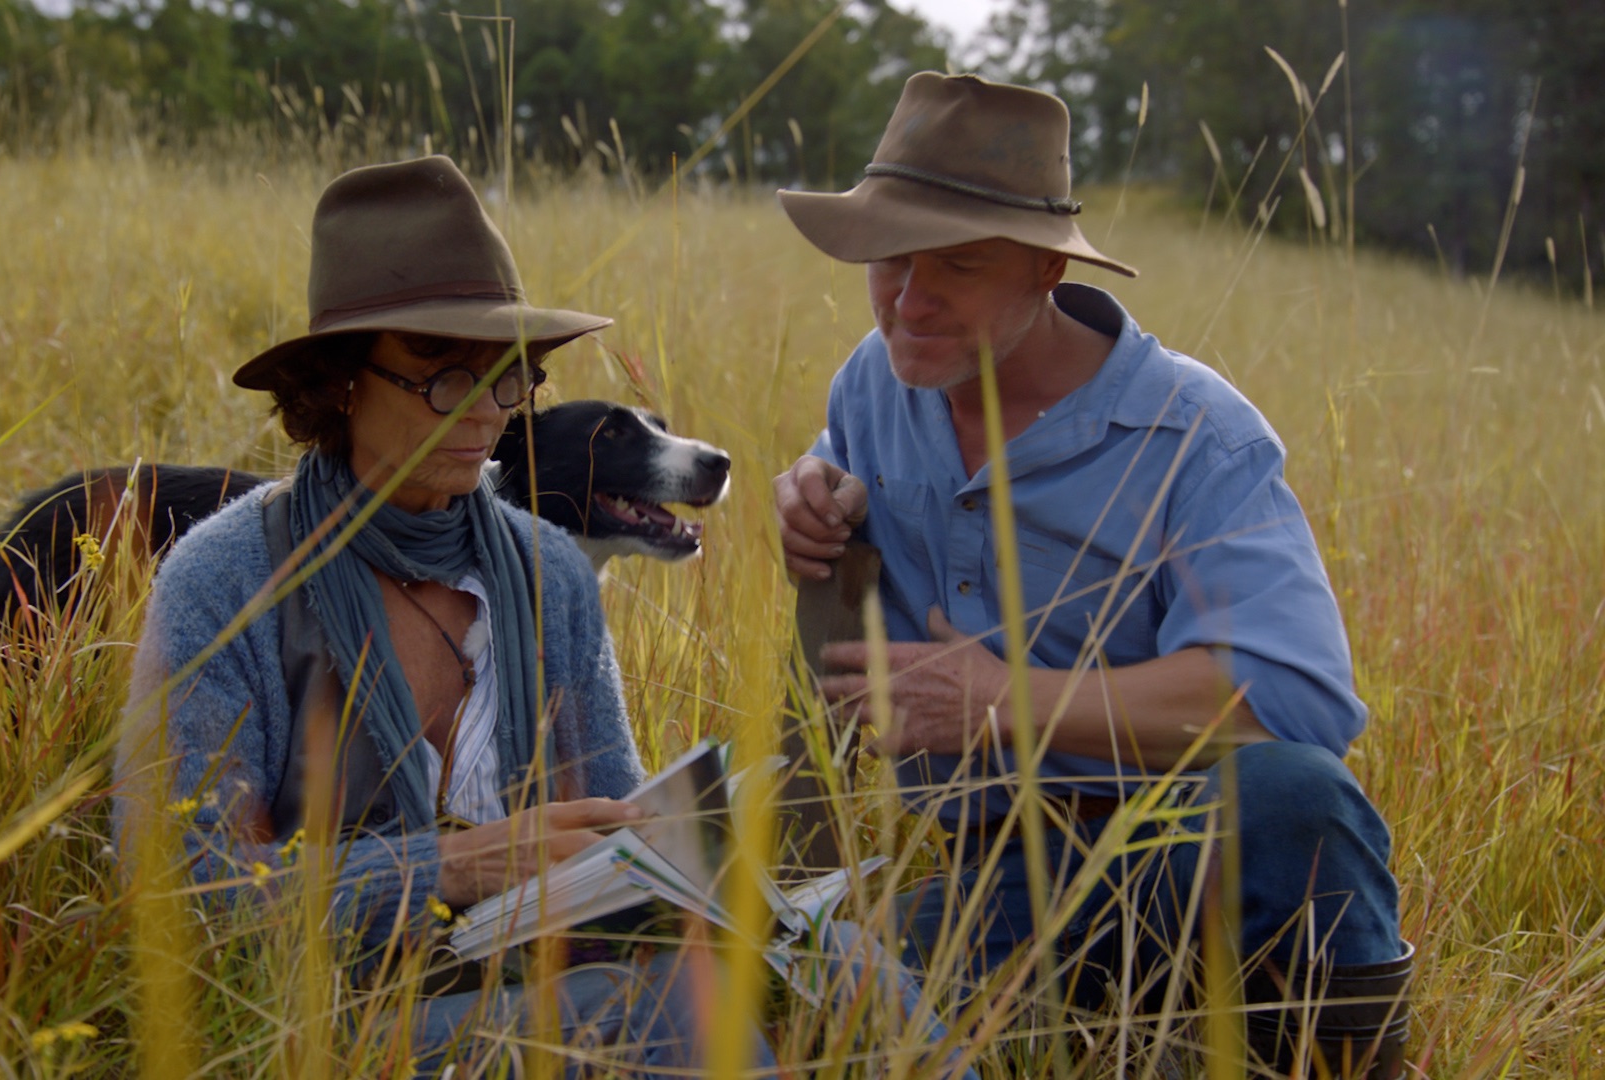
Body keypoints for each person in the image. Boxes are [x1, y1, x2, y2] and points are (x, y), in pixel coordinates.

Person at [114, 156, 944, 1078]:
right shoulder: (225, 580)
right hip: (333, 1018)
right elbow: (181, 892)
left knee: (847, 959)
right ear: (339, 380)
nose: (484, 416)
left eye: (507, 378)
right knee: (677, 1006)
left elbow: (619, 833)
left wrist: (687, 867)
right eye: (442, 377)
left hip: (542, 975)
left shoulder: (547, 571)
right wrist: (450, 868)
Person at [771, 74, 1413, 1078]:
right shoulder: (877, 380)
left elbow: (1291, 700)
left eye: (958, 265)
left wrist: (1003, 701)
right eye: (889, 258)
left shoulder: (1196, 434)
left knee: (1297, 799)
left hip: (1175, 857)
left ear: (1045, 269)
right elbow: (844, 479)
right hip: (991, 887)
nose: (909, 298)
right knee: (791, 1001)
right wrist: (811, 494)